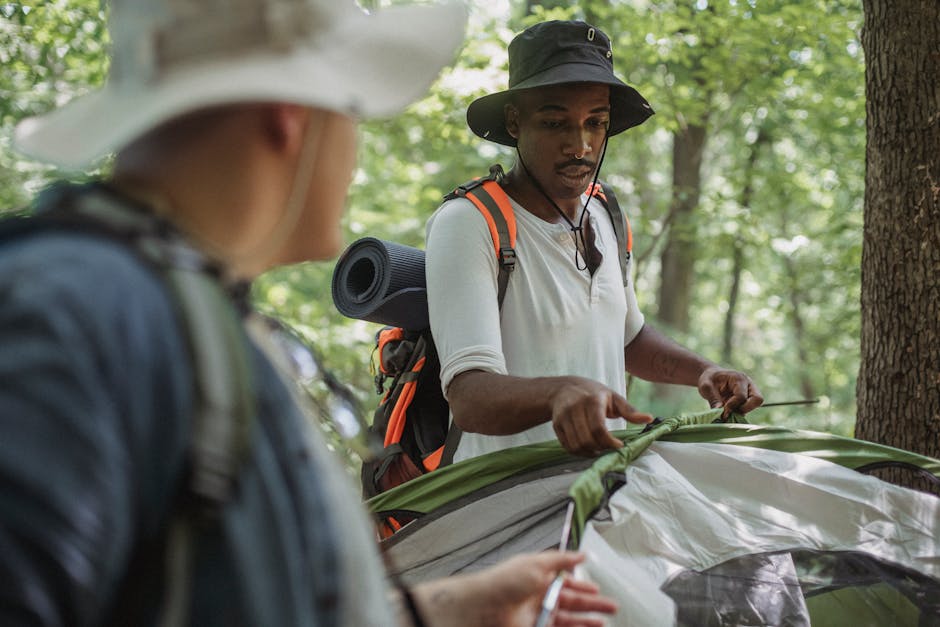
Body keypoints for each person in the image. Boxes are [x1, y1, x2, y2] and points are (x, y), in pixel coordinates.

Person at [0, 1, 618, 626]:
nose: (351, 152)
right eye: (350, 112)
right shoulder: (81, 314)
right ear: (291, 117)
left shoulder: (175, 317)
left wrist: (444, 611)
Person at [426, 20, 763, 462]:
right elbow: (469, 396)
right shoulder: (469, 223)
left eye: (596, 123)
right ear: (514, 121)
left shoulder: (605, 213)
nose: (580, 145)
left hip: (604, 485)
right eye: (554, 122)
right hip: (502, 503)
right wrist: (561, 392)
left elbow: (627, 339)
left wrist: (706, 371)